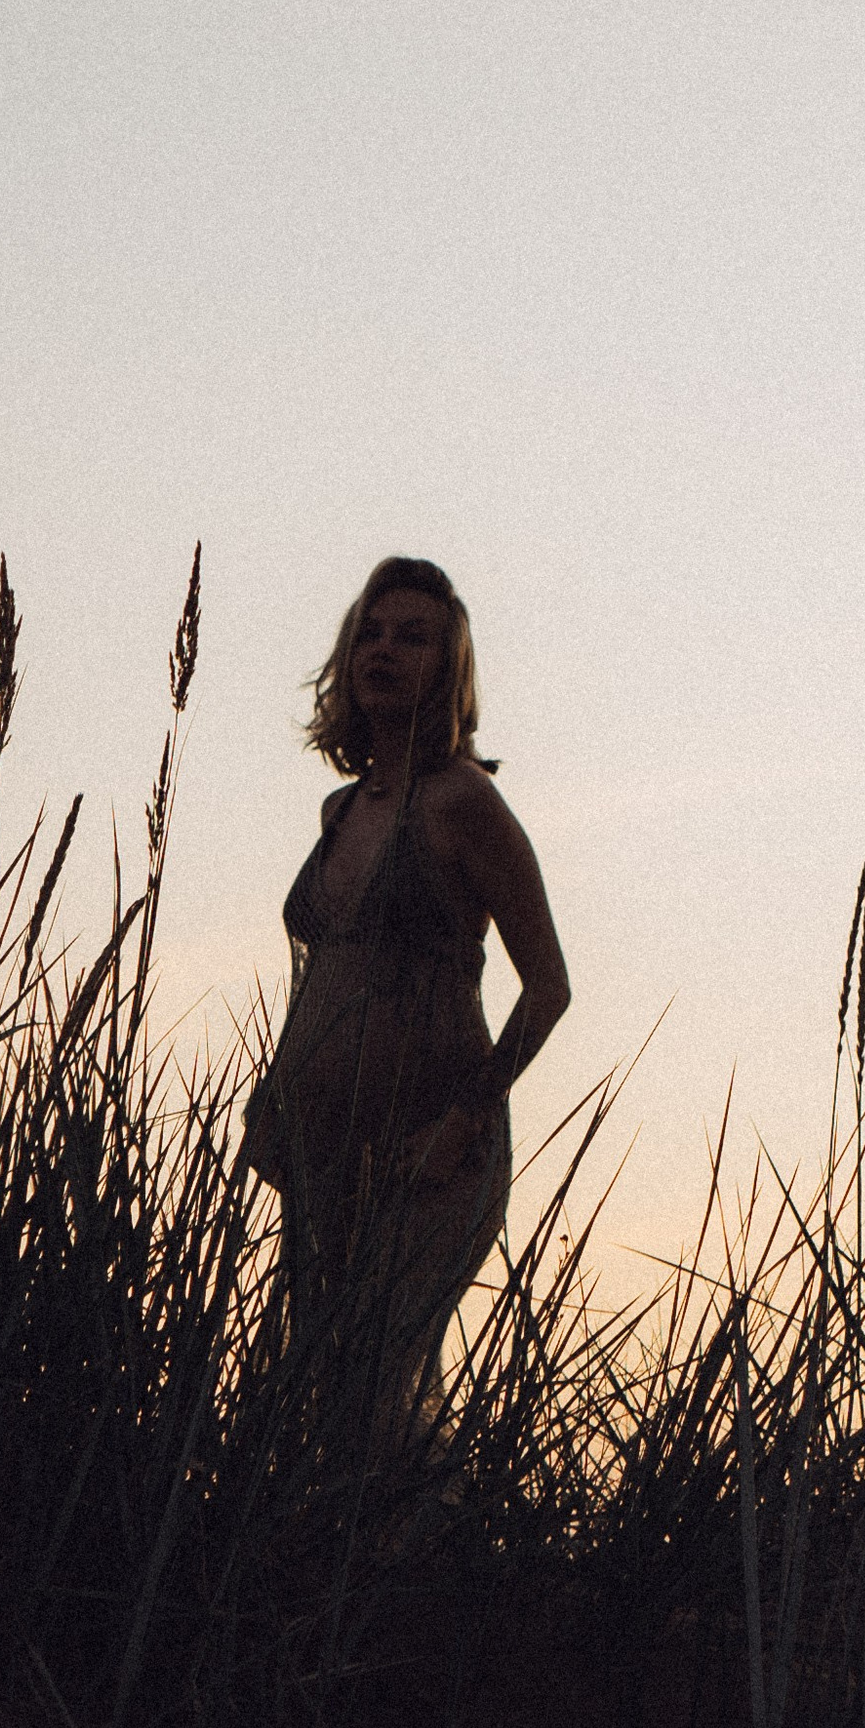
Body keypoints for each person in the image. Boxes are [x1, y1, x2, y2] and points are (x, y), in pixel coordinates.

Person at [245, 558, 570, 1438]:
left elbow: (548, 987)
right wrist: (275, 1096)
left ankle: (440, 1528)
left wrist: (462, 1122)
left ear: (449, 668)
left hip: (426, 1147)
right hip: (323, 1146)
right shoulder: (340, 811)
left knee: (382, 1388)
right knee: (319, 1394)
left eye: (413, 638)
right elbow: (325, 976)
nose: (384, 650)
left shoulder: (464, 801)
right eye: (372, 634)